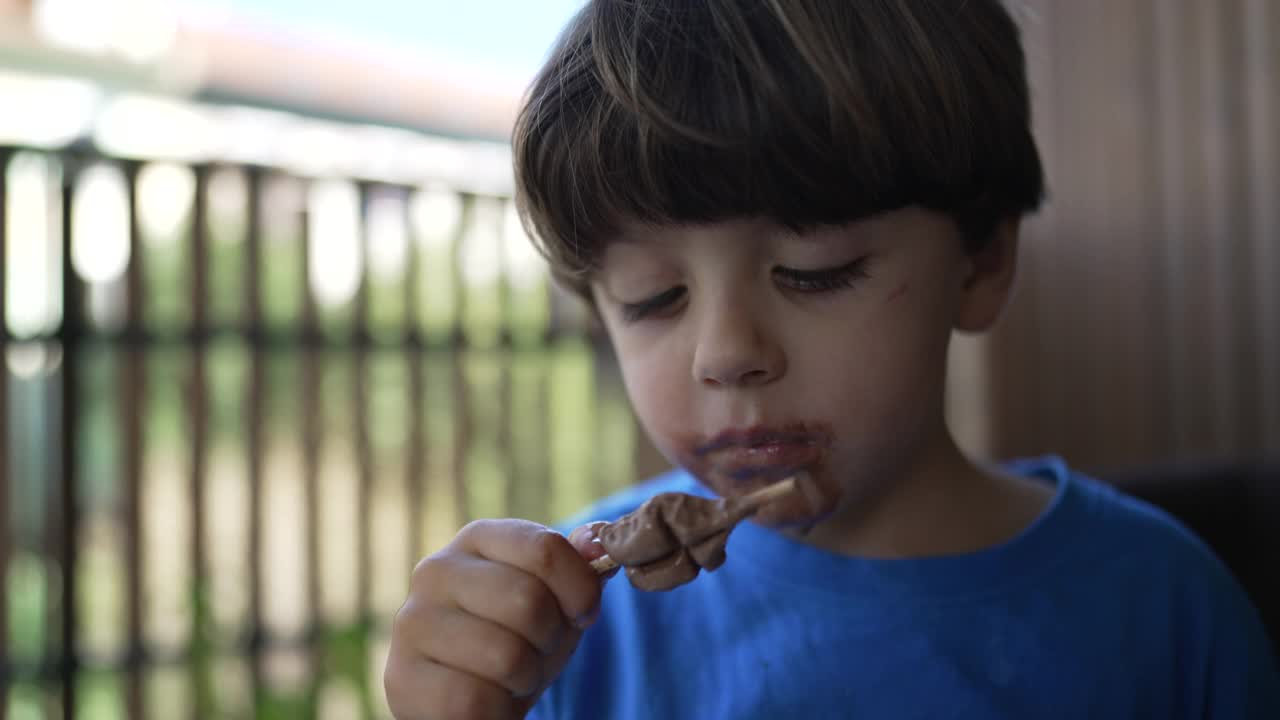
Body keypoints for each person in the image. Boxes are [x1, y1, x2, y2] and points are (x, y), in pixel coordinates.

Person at [384, 1, 1280, 717]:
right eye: (654, 297)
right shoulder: (577, 633)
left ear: (981, 260)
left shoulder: (1164, 610)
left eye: (816, 272)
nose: (726, 354)